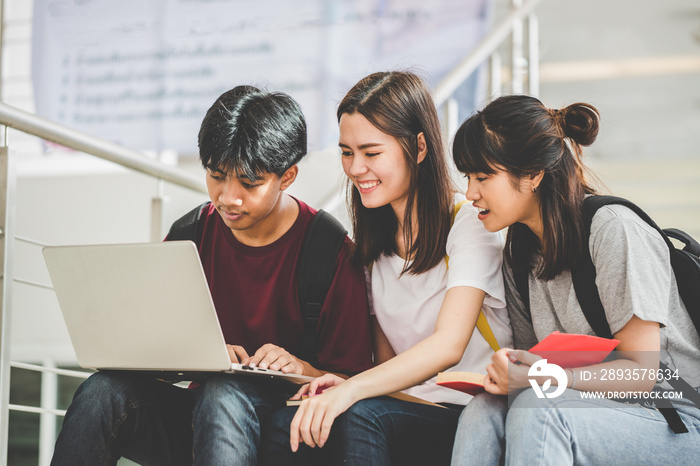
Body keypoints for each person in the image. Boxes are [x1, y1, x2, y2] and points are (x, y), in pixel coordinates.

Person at [50, 86, 373, 466]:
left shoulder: (330, 251)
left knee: (225, 392)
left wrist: (301, 369)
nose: (228, 197)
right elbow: (152, 349)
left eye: (249, 183)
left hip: (286, 431)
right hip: (199, 422)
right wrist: (199, 358)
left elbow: (351, 384)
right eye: (216, 176)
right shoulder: (190, 235)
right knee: (102, 393)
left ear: (287, 177)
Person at [260, 71, 512, 465]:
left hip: (469, 416)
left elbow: (449, 346)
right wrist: (339, 384)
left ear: (420, 147)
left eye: (371, 153)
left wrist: (351, 391)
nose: (356, 167)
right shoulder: (370, 249)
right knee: (283, 427)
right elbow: (386, 366)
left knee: (359, 416)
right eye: (347, 152)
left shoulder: (468, 224)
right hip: (404, 408)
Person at [449, 94, 700, 465]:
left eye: (484, 177)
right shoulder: (519, 255)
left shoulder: (613, 230)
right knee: (483, 411)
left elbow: (643, 372)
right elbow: (536, 366)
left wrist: (545, 377)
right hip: (589, 406)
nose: (470, 193)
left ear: (533, 174)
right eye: (468, 177)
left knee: (541, 408)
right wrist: (518, 371)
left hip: (675, 416)